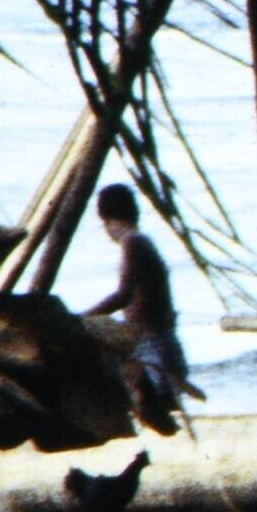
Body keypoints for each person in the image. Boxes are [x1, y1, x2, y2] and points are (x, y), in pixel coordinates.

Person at [79, 183, 193, 434]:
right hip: (155, 342)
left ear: (108, 220)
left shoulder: (133, 243)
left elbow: (123, 295)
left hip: (152, 344)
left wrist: (84, 317)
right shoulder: (142, 242)